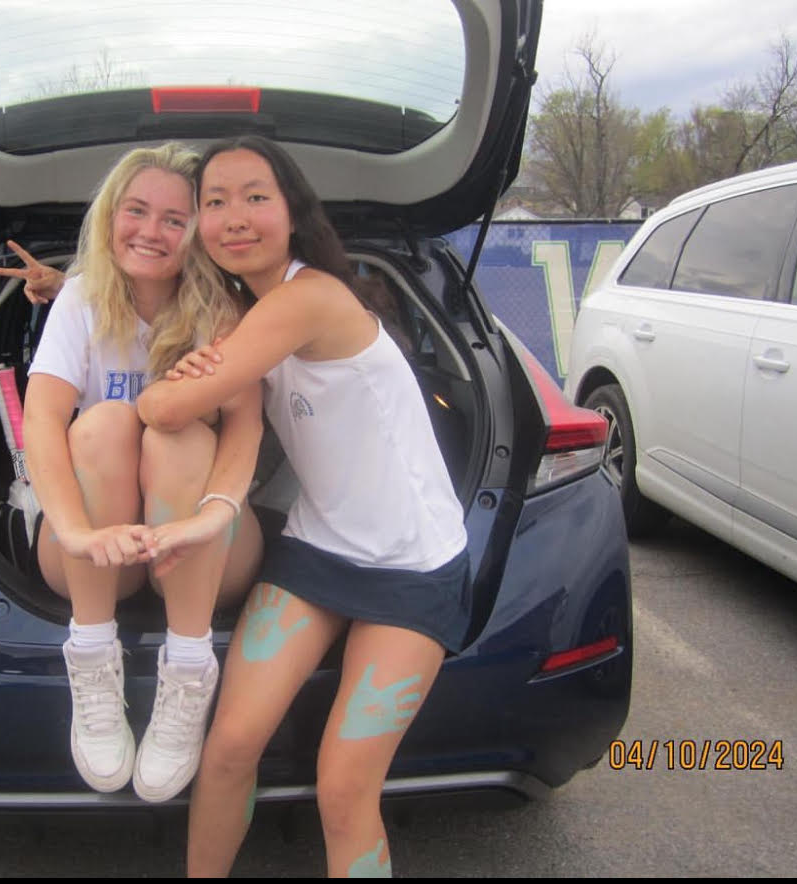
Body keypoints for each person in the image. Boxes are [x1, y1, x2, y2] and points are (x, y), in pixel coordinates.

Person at [136, 135, 471, 878]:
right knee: (226, 751)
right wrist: (60, 287)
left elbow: (168, 407)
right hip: (318, 549)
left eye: (255, 196)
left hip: (412, 568)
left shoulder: (310, 297)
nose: (235, 217)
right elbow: (231, 406)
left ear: (292, 211)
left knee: (344, 789)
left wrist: (174, 387)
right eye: (214, 203)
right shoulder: (236, 312)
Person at [0, 143, 265, 803]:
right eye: (137, 210)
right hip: (96, 556)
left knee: (174, 431)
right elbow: (44, 423)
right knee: (106, 421)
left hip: (201, 551)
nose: (152, 230)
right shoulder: (81, 299)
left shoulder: (220, 308)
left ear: (197, 232)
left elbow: (247, 426)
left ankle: (190, 668)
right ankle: (90, 654)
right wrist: (76, 532)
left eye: (175, 219)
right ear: (110, 214)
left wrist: (213, 514)